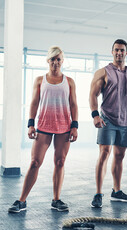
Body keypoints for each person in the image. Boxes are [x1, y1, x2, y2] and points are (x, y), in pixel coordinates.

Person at [8, 46, 78, 213]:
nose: (55, 62)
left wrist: (74, 126)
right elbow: (34, 102)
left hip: (64, 126)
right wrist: (30, 124)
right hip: (44, 126)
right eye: (52, 59)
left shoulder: (69, 81)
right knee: (35, 162)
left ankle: (56, 199)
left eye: (58, 59)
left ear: (62, 61)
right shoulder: (40, 80)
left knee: (60, 162)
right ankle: (21, 200)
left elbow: (74, 104)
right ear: (48, 60)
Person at [89, 39, 127, 208]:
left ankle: (117, 191)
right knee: (104, 153)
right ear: (112, 52)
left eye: (122, 50)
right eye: (116, 50)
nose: (119, 53)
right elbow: (92, 95)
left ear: (126, 53)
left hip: (126, 121)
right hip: (107, 120)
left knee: (120, 156)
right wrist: (95, 115)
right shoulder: (103, 72)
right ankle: (98, 193)